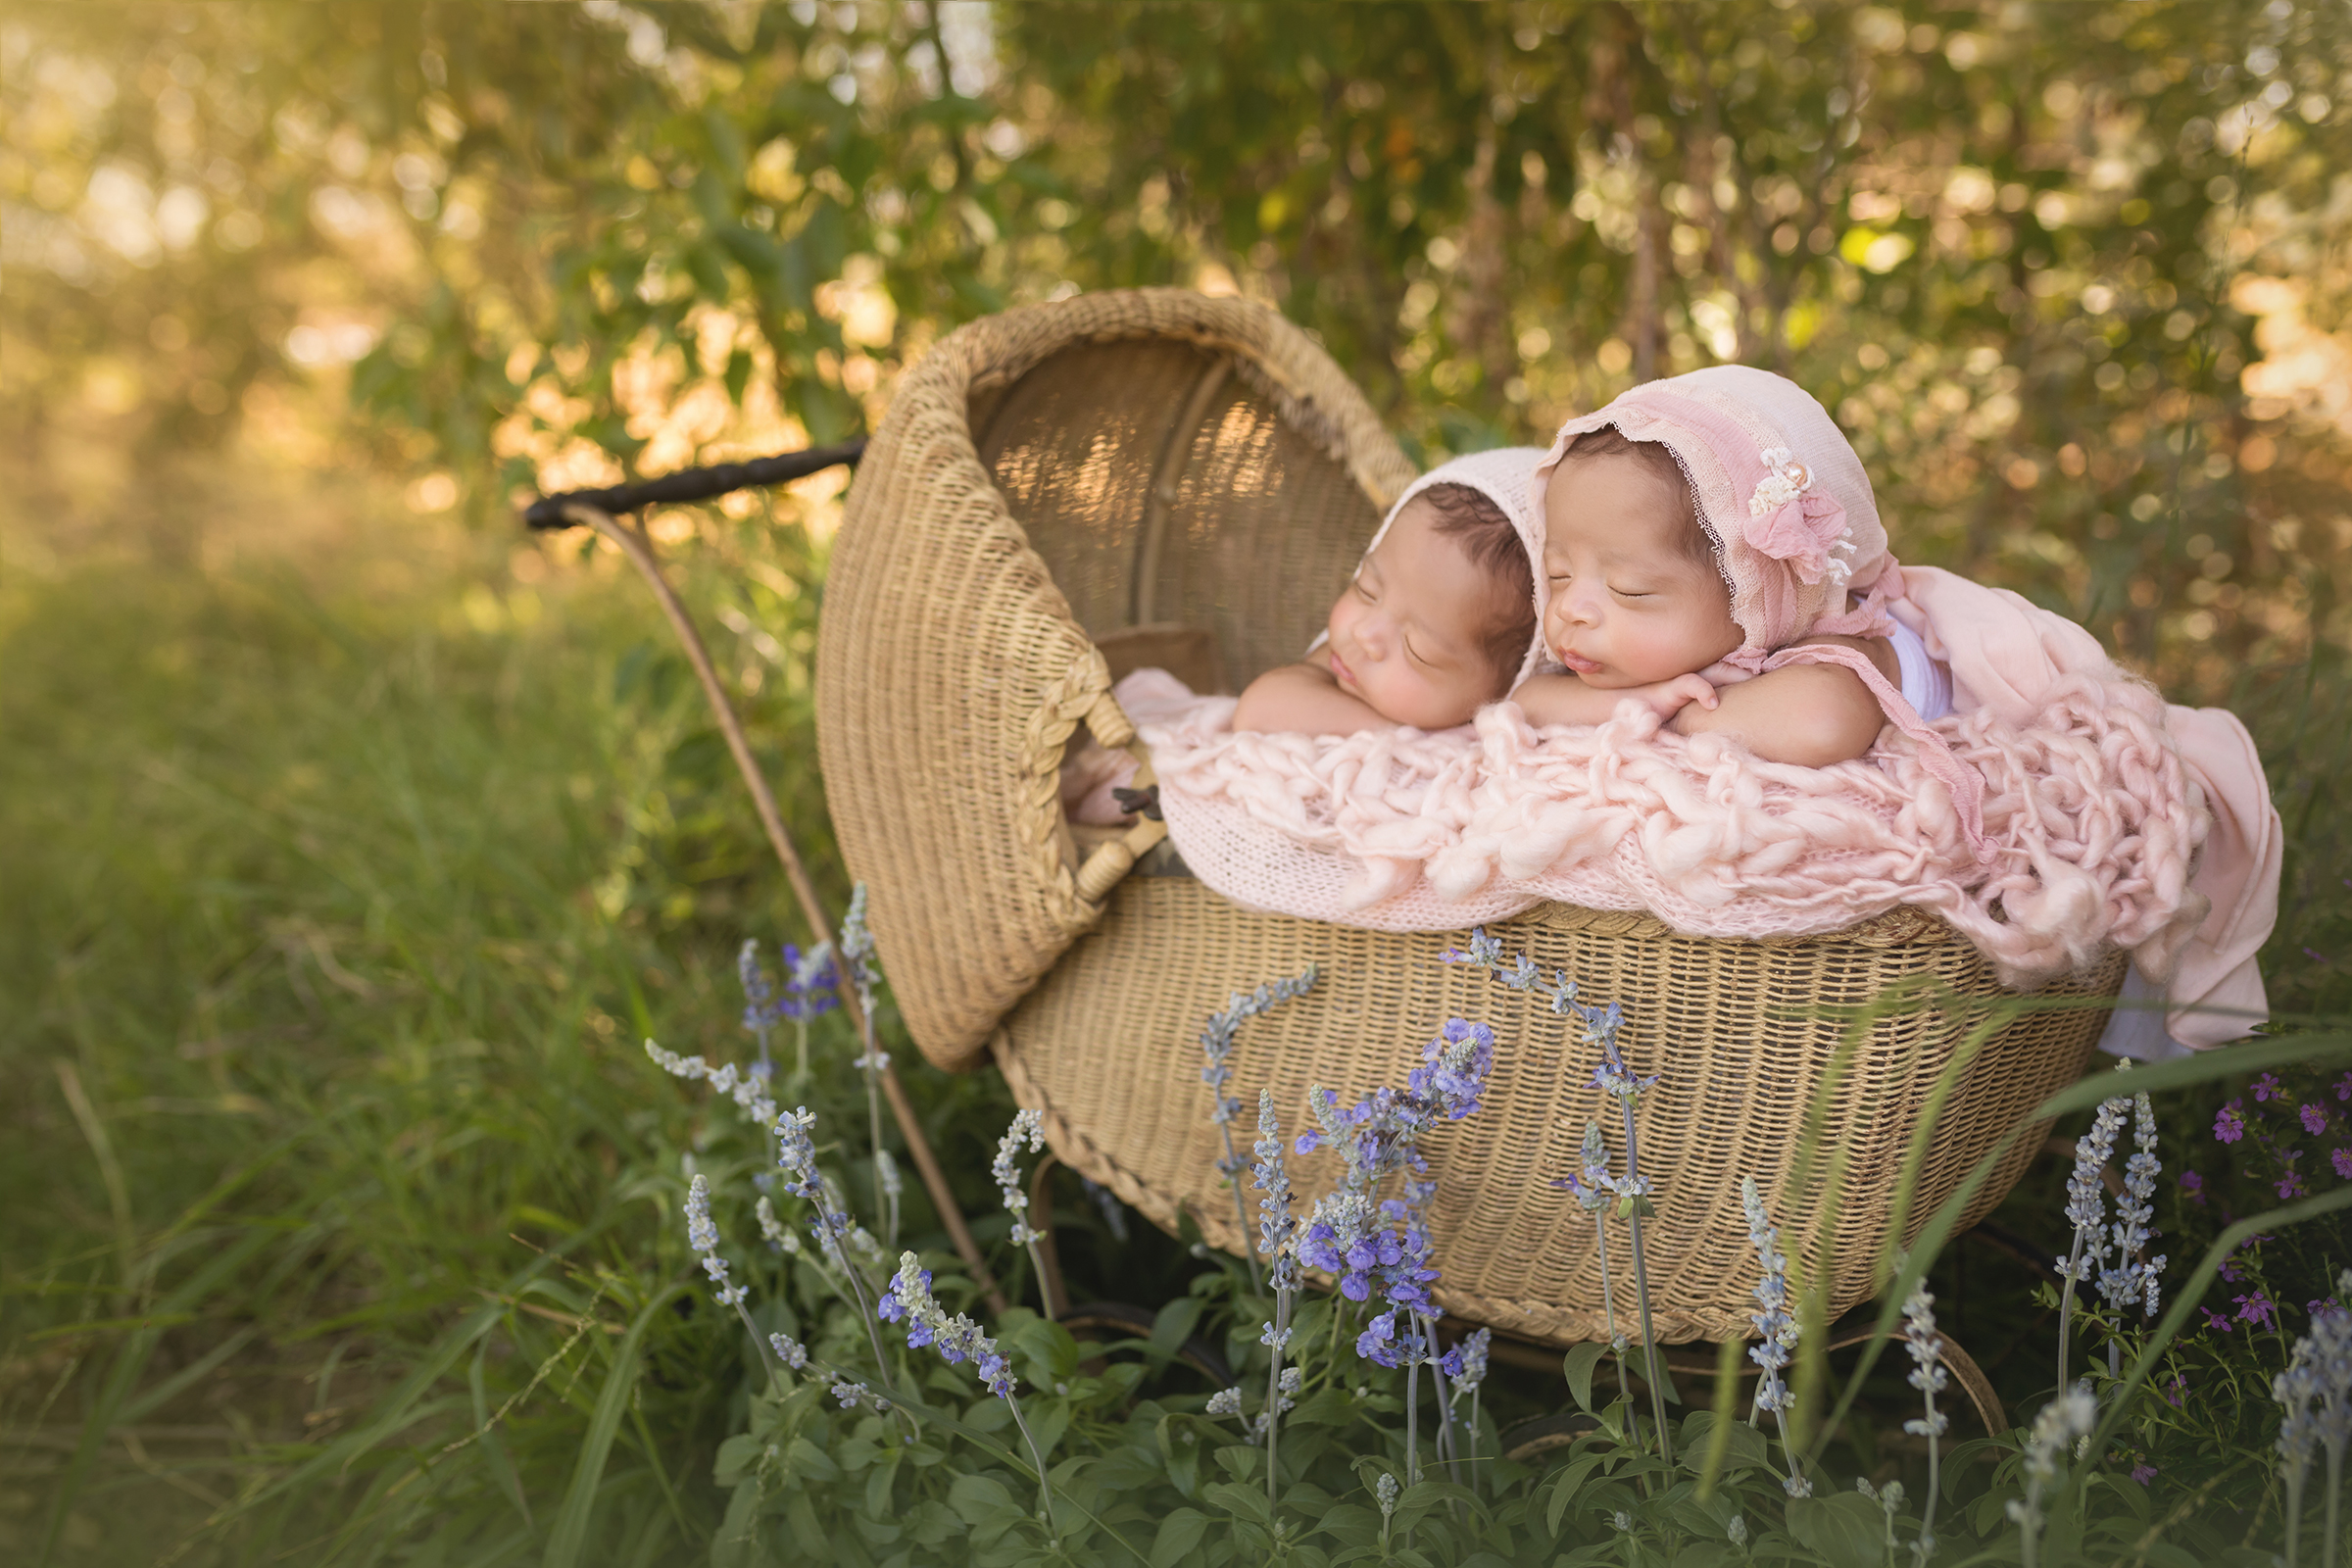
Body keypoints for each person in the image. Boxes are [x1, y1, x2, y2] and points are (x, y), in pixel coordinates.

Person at [1514, 366, 1952, 771]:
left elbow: (1819, 726)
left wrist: (1680, 712)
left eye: (1627, 589)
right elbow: (1528, 700)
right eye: (1559, 574)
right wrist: (1648, 699)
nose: (1570, 608)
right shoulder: (1632, 651)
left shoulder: (1842, 646)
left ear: (1752, 589)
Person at [1232, 451, 1544, 735]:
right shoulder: (1338, 662)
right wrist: (1425, 740)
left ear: (1507, 691)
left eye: (1416, 650)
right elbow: (1259, 710)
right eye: (1366, 591)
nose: (1364, 633)